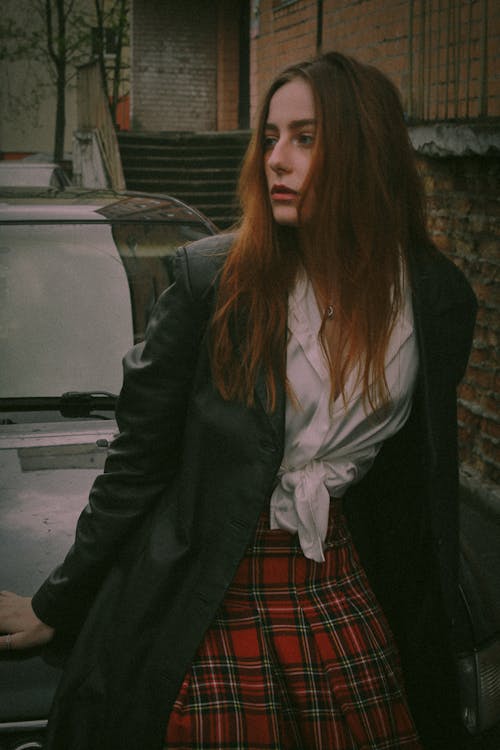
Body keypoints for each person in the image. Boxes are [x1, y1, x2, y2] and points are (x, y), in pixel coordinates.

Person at [0, 51, 476, 750]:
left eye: (306, 138)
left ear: (366, 151)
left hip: (338, 585)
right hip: (207, 592)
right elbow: (137, 465)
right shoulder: (211, 282)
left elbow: (412, 500)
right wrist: (55, 603)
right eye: (271, 137)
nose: (276, 159)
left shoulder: (434, 301)